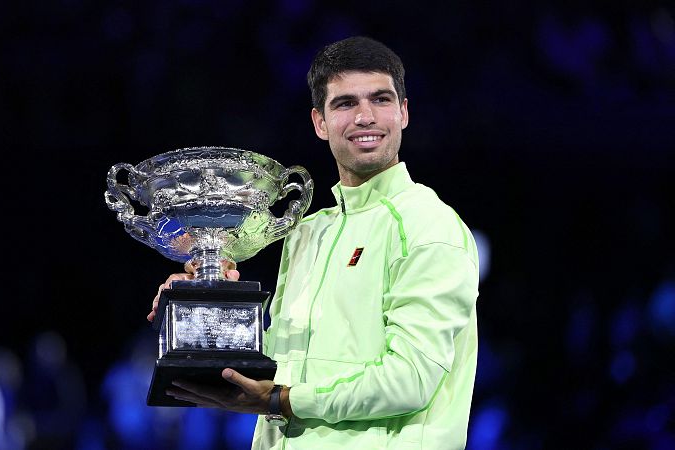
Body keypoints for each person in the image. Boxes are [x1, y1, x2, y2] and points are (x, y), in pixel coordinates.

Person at [149, 36, 479, 449]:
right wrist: (208, 307)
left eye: (380, 99)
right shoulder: (308, 232)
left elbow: (409, 380)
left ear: (404, 113)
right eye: (345, 103)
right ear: (319, 122)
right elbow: (275, 362)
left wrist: (280, 399)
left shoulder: (429, 226)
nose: (365, 117)